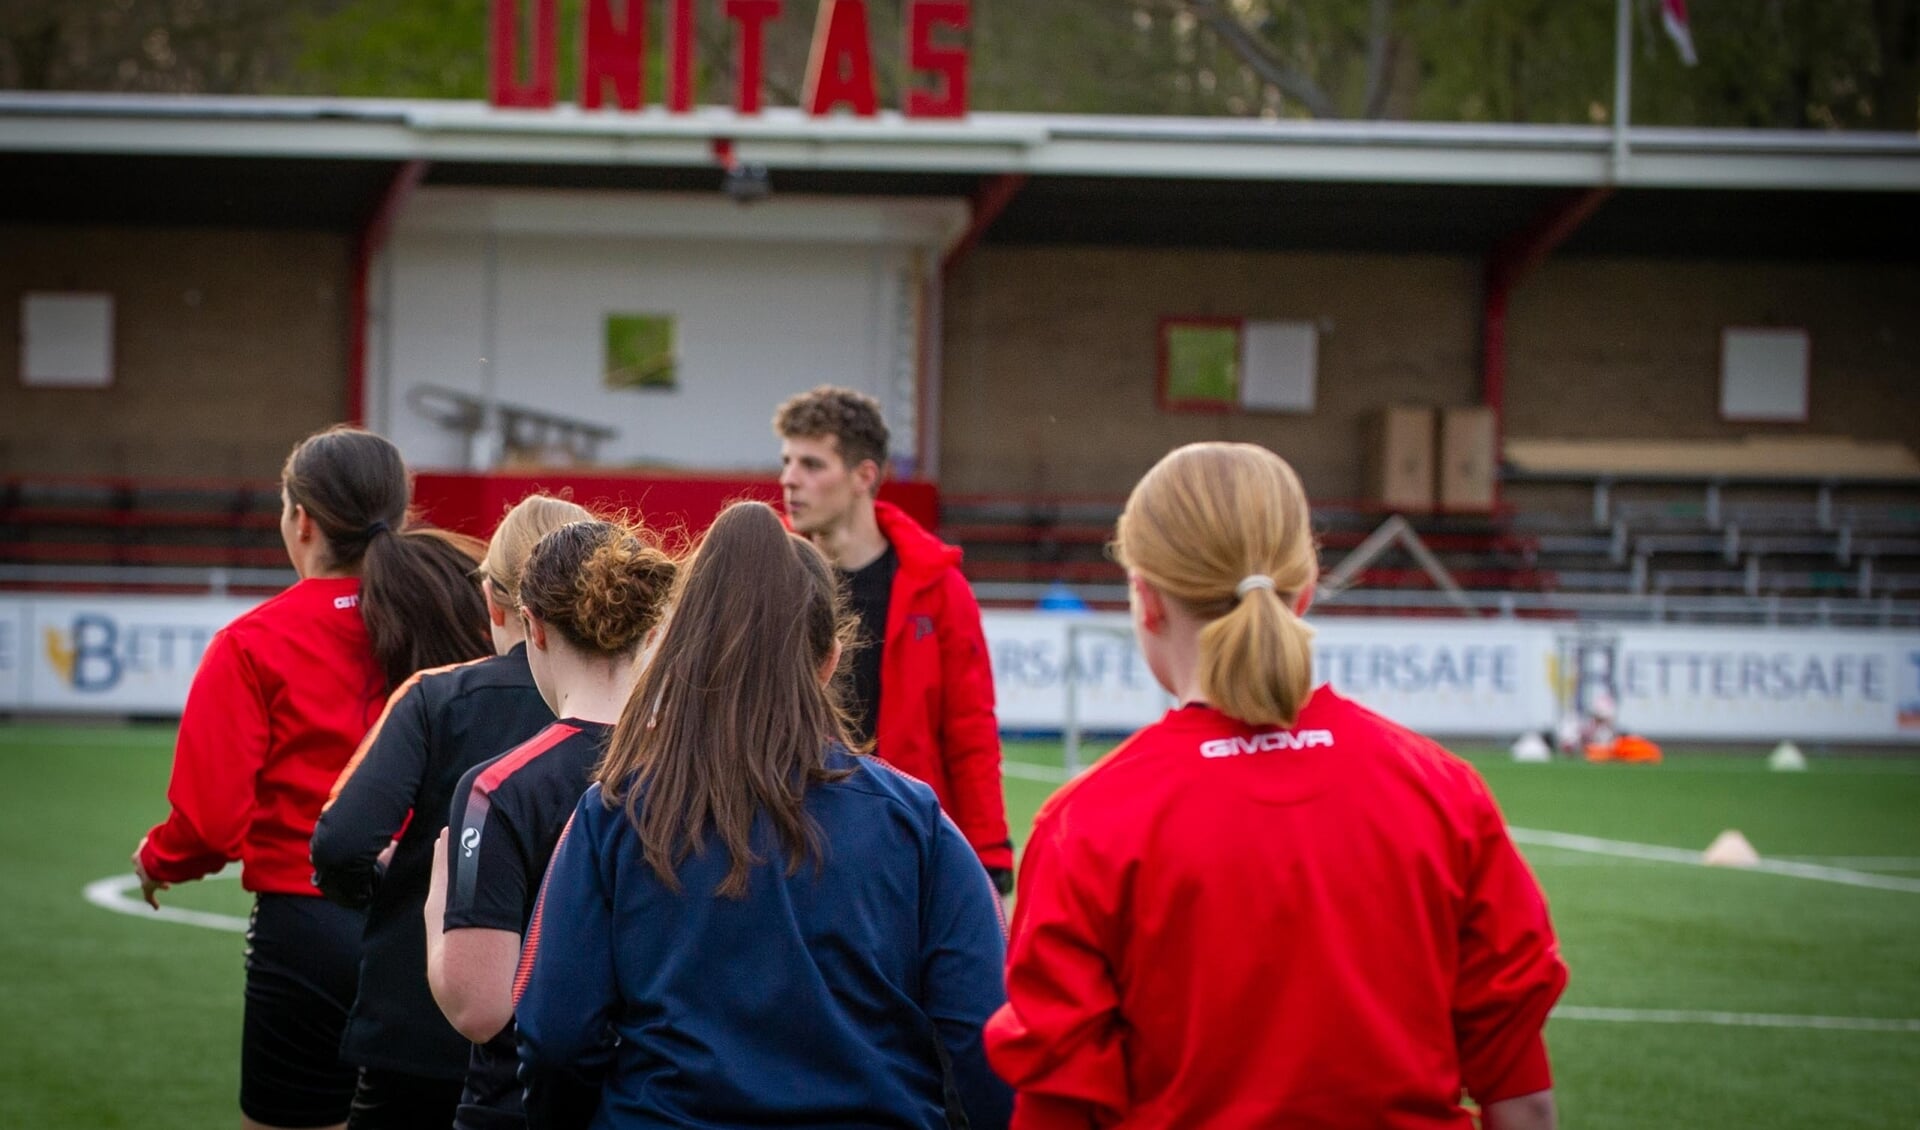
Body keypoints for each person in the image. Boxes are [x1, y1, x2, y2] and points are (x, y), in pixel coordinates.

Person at [984, 442, 1568, 1130]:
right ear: (1308, 586)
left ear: (1143, 599)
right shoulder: (1442, 791)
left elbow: (1060, 1107)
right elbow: (1521, 1099)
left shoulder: (1088, 821)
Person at [515, 501, 1012, 1130]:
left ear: (678, 651)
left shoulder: (615, 809)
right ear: (831, 660)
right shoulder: (913, 822)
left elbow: (556, 1035)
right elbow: (988, 1036)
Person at [132, 424, 494, 1130]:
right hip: (442, 921)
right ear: (399, 509)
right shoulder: (468, 619)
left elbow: (210, 825)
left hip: (307, 930)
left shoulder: (251, 642)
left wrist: (158, 860)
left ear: (301, 520)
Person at [309, 493, 591, 1129]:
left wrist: (386, 893)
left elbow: (343, 841)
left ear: (492, 602)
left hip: (421, 1025)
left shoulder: (437, 698)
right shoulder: (637, 716)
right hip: (575, 1034)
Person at [425, 517, 677, 1130]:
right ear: (647, 635)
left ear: (531, 626)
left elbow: (479, 1009)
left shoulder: (500, 788)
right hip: (661, 1101)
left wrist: (438, 911)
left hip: (522, 1106)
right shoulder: (695, 774)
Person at [773, 385, 1013, 894]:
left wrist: (988, 850)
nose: (789, 480)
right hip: (779, 836)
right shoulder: (765, 573)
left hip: (897, 842)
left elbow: (969, 729)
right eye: (787, 460)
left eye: (812, 464)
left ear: (864, 476)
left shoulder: (937, 587)